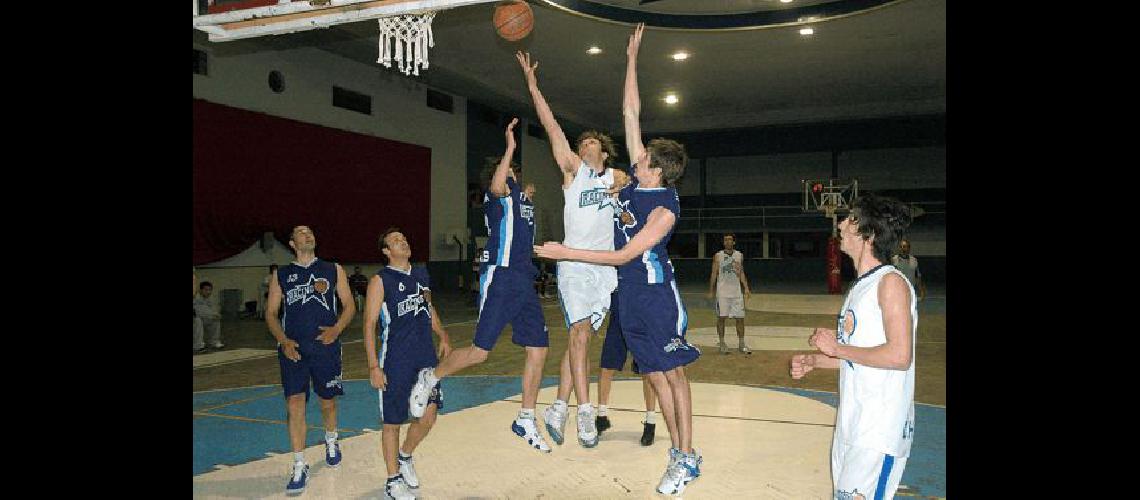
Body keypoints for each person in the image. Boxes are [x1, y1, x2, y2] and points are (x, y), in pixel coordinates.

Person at [533, 23, 702, 496]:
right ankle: (680, 453)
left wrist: (566, 252)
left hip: (655, 295)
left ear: (656, 169)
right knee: (654, 374)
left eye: (644, 155)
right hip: (628, 296)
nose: (637, 154)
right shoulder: (636, 184)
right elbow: (630, 111)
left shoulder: (664, 208)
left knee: (673, 376)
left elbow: (624, 253)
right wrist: (631, 61)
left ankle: (685, 455)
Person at [407, 118, 553, 453]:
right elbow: (500, 187)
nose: (514, 174)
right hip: (500, 277)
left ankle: (526, 417)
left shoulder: (522, 202)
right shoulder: (495, 199)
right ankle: (432, 376)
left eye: (515, 170)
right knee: (480, 353)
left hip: (523, 279)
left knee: (539, 348)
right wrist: (510, 148)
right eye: (510, 170)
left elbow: (521, 221)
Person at [516, 50, 629, 449]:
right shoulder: (574, 174)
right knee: (580, 338)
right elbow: (550, 127)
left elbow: (629, 176)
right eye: (581, 142)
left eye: (591, 142)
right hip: (573, 266)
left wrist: (622, 179)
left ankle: (558, 405)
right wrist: (533, 87)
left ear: (603, 150)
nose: (584, 146)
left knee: (582, 341)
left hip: (605, 269)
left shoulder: (615, 177)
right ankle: (585, 412)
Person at [789, 194, 917, 500]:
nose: (842, 224)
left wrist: (837, 349)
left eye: (850, 219)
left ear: (867, 234)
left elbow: (900, 356)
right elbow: (864, 356)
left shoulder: (891, 283)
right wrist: (815, 361)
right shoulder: (860, 286)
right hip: (853, 424)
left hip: (878, 431)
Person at [265, 225, 357, 495]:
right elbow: (271, 313)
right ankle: (299, 463)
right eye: (301, 232)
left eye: (310, 231)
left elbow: (349, 304)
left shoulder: (332, 269)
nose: (308, 234)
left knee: (327, 402)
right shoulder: (281, 275)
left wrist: (336, 329)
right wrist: (283, 340)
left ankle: (331, 438)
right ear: (292, 243)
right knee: (294, 403)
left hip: (325, 346)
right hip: (293, 347)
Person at [363, 228, 453, 500]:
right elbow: (368, 325)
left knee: (429, 415)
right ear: (386, 251)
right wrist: (373, 367)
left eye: (404, 238)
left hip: (425, 357)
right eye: (396, 241)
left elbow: (429, 308)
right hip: (395, 359)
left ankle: (405, 455)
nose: (403, 241)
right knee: (392, 422)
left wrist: (443, 334)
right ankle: (392, 481)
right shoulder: (380, 280)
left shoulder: (422, 273)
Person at [595, 288, 659, 446]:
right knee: (606, 367)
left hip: (641, 321)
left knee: (647, 371)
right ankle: (601, 416)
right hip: (618, 320)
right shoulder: (614, 267)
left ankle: (650, 423)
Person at [707, 233, 752, 354]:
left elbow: (741, 272)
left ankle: (741, 344)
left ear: (734, 242)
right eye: (725, 240)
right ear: (723, 242)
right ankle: (722, 343)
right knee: (721, 318)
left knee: (740, 318)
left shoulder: (739, 255)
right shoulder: (718, 256)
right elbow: (714, 273)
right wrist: (711, 290)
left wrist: (746, 287)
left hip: (736, 292)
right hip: (722, 292)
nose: (727, 242)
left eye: (730, 240)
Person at [193, 281, 224, 350]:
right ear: (200, 290)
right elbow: (197, 311)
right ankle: (197, 345)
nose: (208, 292)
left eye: (210, 290)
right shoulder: (195, 298)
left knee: (215, 320)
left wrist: (216, 314)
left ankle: (214, 342)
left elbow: (214, 309)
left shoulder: (210, 299)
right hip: (195, 319)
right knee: (198, 320)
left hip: (204, 318)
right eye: (206, 290)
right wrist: (212, 314)